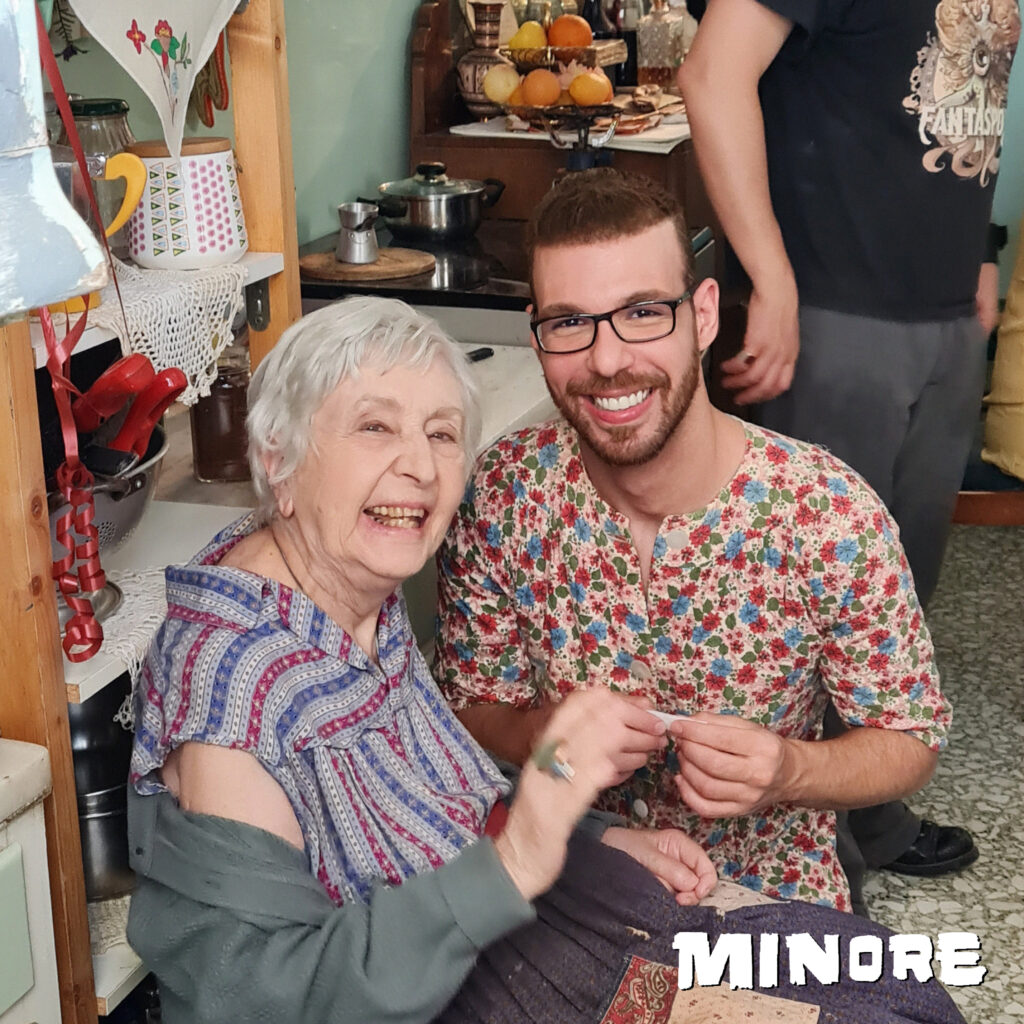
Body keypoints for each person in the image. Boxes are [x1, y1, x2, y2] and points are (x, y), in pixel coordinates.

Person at [125, 296, 967, 1024]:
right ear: (278, 459)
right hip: (460, 987)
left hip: (513, 938)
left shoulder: (352, 598)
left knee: (893, 990)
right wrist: (519, 857)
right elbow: (255, 998)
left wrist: (597, 834)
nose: (418, 467)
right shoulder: (232, 688)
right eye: (374, 427)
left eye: (442, 434)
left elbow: (441, 799)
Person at [435, 168, 952, 915]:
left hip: (770, 897)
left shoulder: (828, 515)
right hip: (571, 884)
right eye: (570, 323)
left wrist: (788, 771)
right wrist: (547, 740)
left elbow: (909, 738)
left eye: (643, 312)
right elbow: (470, 703)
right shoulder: (502, 495)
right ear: (536, 334)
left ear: (703, 315)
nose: (607, 360)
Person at [677, 0, 1017, 902]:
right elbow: (711, 77)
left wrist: (980, 249)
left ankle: (867, 820)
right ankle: (806, 878)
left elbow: (965, 95)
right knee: (806, 614)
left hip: (945, 312)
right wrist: (772, 278)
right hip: (836, 312)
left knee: (896, 600)